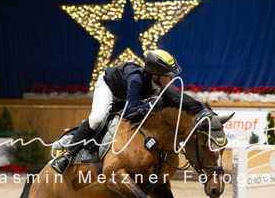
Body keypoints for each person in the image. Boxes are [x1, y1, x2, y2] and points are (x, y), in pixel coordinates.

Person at [50, 49, 182, 174]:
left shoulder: (164, 84)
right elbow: (129, 111)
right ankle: (67, 154)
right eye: (168, 76)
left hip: (130, 95)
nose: (172, 80)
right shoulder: (136, 80)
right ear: (155, 76)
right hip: (109, 88)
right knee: (97, 118)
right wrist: (152, 104)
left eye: (173, 76)